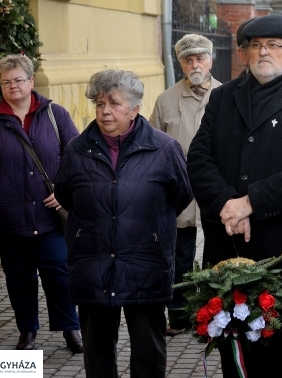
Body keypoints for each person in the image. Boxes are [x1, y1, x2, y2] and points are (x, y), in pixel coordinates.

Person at [187, 14, 282, 377]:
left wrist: (251, 202)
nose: (263, 52)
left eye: (274, 45)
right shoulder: (223, 98)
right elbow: (198, 158)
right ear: (242, 53)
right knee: (236, 357)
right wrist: (227, 202)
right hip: (228, 253)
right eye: (255, 45)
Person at [54, 69, 192, 378]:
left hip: (146, 260)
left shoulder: (164, 148)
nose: (105, 111)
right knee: (97, 348)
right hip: (93, 261)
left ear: (134, 109)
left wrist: (149, 228)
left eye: (114, 103)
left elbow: (180, 195)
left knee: (148, 349)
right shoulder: (77, 150)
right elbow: (65, 194)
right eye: (100, 103)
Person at [0, 54, 83, 353]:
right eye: (6, 81)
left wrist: (65, 191)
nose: (13, 85)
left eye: (18, 79)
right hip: (8, 218)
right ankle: (27, 332)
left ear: (30, 81)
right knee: (19, 279)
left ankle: (70, 330)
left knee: (59, 275)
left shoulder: (55, 114)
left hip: (51, 218)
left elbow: (77, 157)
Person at [149, 34, 221, 336]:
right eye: (188, 59)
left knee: (218, 253)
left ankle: (215, 314)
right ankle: (178, 314)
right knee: (180, 253)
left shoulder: (227, 94)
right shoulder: (166, 99)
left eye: (200, 58)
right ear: (180, 63)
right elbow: (152, 143)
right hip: (178, 188)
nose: (195, 64)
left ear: (210, 60)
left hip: (218, 185)